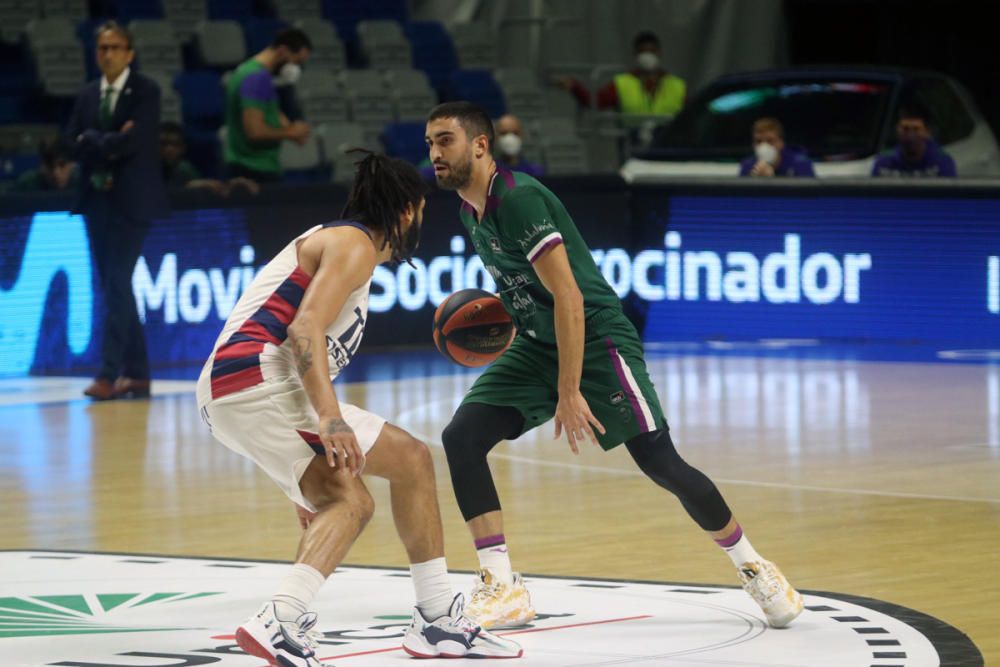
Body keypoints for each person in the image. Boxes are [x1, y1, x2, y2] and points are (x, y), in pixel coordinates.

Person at [425, 101, 803, 631]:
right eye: (430, 144)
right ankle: (502, 584)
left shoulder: (519, 200)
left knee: (660, 462)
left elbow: (570, 298)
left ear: (480, 145)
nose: (435, 154)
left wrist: (570, 388)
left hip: (597, 340)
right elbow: (525, 292)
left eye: (445, 141)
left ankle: (755, 568)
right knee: (461, 437)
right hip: (537, 342)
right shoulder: (470, 211)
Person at [196, 151, 522, 666]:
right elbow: (304, 330)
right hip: (254, 380)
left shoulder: (347, 245)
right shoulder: (355, 245)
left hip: (247, 388)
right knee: (351, 502)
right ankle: (281, 617)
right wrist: (329, 421)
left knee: (410, 460)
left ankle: (436, 618)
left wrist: (298, 475)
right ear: (409, 210)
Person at [66, 20, 168, 401]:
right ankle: (138, 373)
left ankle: (109, 373)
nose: (107, 54)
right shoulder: (88, 94)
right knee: (114, 286)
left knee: (116, 282)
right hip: (96, 202)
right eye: (102, 48)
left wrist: (93, 140)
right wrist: (103, 140)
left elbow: (133, 143)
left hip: (132, 203)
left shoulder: (146, 91)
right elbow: (70, 143)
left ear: (130, 53)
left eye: (114, 47)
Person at [223, 27, 312, 184]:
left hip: (252, 167)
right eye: (296, 62)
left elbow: (267, 112)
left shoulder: (248, 72)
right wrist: (290, 133)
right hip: (254, 171)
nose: (295, 70)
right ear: (283, 51)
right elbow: (255, 132)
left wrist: (292, 128)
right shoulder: (256, 78)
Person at [558, 31, 686, 122]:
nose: (648, 56)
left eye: (651, 51)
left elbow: (693, 111)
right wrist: (575, 87)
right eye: (643, 52)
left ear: (659, 53)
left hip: (668, 147)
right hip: (632, 145)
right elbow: (595, 102)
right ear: (635, 55)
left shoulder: (677, 86)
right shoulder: (623, 83)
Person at [161, 121, 259, 196]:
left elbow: (217, 187)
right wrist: (188, 187)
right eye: (163, 144)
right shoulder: (149, 173)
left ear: (183, 148)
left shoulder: (185, 170)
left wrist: (231, 186)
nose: (169, 149)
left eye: (175, 144)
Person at [871, 109, 957, 177]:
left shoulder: (942, 162)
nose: (910, 135)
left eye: (916, 129)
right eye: (905, 129)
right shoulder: (884, 161)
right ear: (897, 131)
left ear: (927, 132)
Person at [739, 117, 815, 178]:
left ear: (781, 143)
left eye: (770, 141)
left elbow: (809, 195)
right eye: (758, 141)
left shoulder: (801, 164)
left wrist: (772, 181)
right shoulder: (747, 166)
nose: (763, 146)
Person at [9, 138, 78, 193]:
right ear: (42, 166)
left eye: (62, 165)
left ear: (72, 164)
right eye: (50, 165)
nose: (56, 173)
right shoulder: (25, 185)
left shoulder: (82, 184)